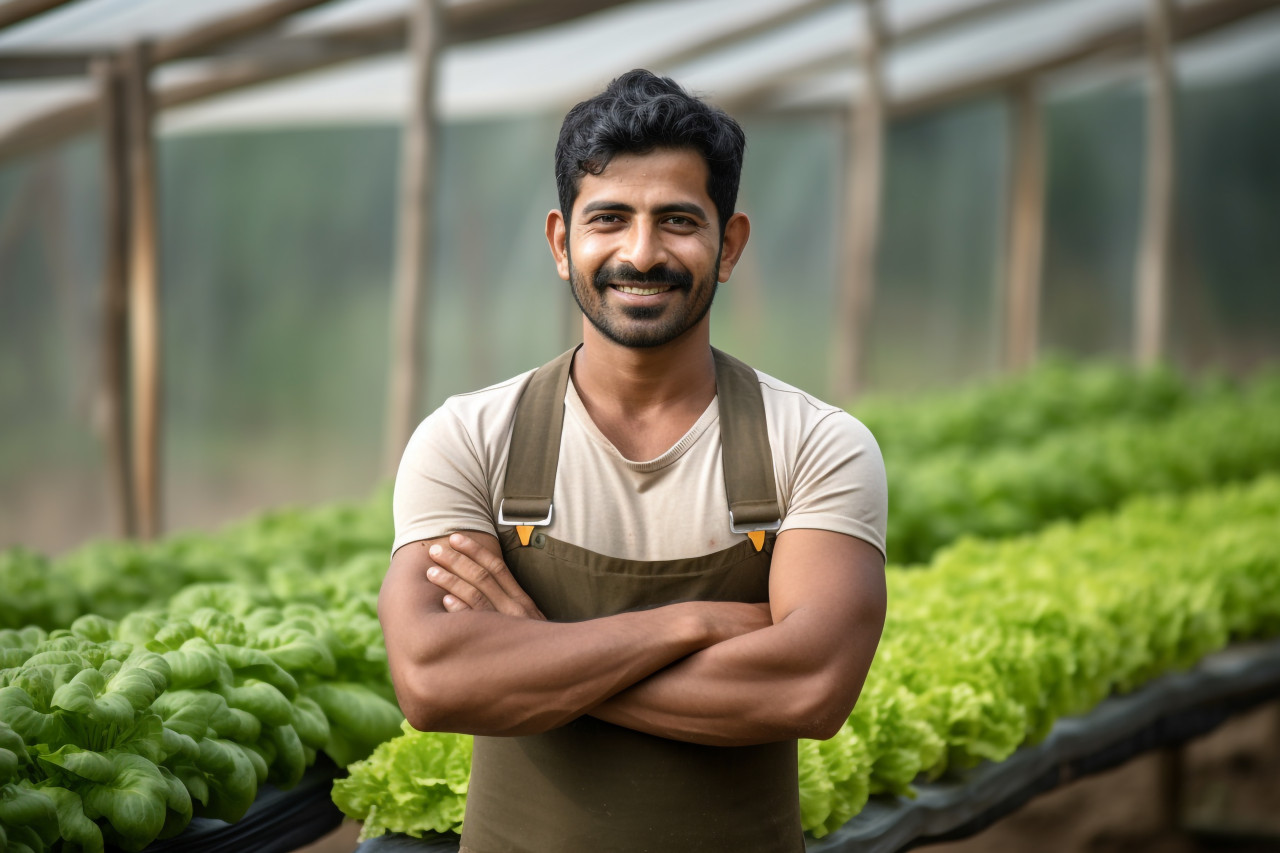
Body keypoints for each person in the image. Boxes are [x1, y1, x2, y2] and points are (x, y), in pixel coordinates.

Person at [378, 69, 888, 853]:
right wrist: (696, 622)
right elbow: (433, 680)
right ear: (561, 241)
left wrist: (535, 649)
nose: (641, 252)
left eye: (678, 220)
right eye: (609, 218)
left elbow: (809, 688)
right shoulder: (470, 437)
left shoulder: (814, 444)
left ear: (730, 244)